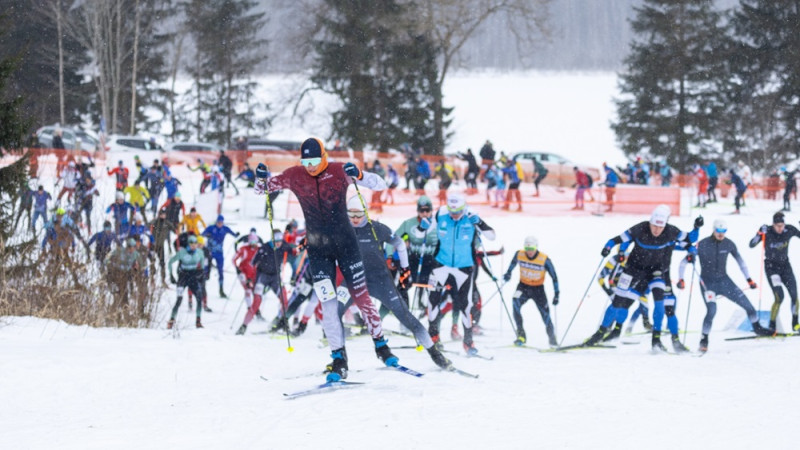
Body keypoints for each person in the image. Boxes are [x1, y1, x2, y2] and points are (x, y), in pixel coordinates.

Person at [254, 137, 396, 382]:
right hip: (318, 251)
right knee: (328, 305)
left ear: (324, 156)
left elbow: (381, 184)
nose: (310, 166)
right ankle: (339, 358)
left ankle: (381, 345)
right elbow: (262, 189)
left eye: (315, 160)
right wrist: (260, 176)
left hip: (347, 246)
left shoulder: (339, 170)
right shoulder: (295, 175)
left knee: (361, 298)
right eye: (305, 160)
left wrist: (360, 175)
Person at [343, 195, 452, 368]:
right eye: (351, 215)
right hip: (353, 280)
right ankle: (340, 359)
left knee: (406, 316)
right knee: (333, 311)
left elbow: (400, 244)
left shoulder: (376, 228)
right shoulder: (342, 229)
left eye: (359, 215)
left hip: (380, 280)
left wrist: (405, 268)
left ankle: (435, 354)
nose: (355, 219)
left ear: (366, 212)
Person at [584, 205, 700, 352]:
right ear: (650, 222)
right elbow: (618, 239)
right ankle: (601, 332)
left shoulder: (671, 231)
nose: (657, 230)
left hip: (657, 271)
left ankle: (656, 340)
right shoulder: (641, 228)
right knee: (618, 302)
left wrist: (696, 228)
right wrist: (611, 248)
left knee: (660, 302)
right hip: (633, 269)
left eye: (660, 227)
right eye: (654, 226)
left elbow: (690, 240)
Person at [677, 219, 772, 352]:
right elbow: (684, 262)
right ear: (713, 230)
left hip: (725, 281)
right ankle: (704, 339)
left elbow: (741, 262)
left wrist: (749, 279)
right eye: (718, 231)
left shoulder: (728, 244)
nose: (721, 234)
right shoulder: (702, 244)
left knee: (749, 306)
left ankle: (757, 328)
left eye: (723, 231)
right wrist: (681, 278)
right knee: (711, 311)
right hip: (707, 284)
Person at [424, 192, 495, 355]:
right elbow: (423, 234)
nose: (454, 215)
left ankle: (468, 342)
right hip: (441, 264)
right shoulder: (441, 214)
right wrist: (424, 225)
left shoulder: (471, 216)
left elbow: (492, 236)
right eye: (451, 212)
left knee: (466, 305)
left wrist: (481, 224)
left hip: (463, 267)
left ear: (464, 208)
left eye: (457, 212)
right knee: (432, 301)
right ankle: (433, 337)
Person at [503, 236, 559, 347]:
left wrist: (557, 294)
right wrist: (508, 273)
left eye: (532, 249)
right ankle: (521, 335)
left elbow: (554, 277)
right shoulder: (519, 254)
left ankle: (552, 339)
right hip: (523, 287)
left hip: (538, 289)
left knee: (545, 314)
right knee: (515, 302)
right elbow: (512, 264)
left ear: (536, 247)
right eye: (527, 249)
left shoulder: (544, 259)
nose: (529, 252)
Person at [749, 212, 800, 332]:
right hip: (772, 268)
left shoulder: (789, 229)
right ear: (773, 225)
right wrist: (759, 233)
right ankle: (772, 324)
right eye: (778, 226)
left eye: (782, 225)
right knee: (779, 297)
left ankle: (795, 323)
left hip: (785, 267)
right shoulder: (767, 231)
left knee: (794, 295)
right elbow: (751, 244)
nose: (780, 228)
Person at [390, 196, 438, 312]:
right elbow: (392, 239)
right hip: (413, 260)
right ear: (418, 211)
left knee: (435, 288)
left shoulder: (438, 224)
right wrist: (389, 256)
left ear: (432, 211)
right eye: (422, 211)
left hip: (432, 262)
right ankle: (405, 313)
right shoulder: (408, 223)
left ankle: (430, 312)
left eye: (427, 210)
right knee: (402, 286)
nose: (425, 213)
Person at [167, 234, 206, 329]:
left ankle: (198, 321)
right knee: (179, 300)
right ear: (188, 244)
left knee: (199, 298)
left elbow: (202, 265)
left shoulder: (200, 252)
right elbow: (170, 262)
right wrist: (171, 275)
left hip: (193, 276)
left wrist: (201, 274)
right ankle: (171, 320)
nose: (193, 246)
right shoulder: (182, 252)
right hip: (183, 277)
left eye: (195, 244)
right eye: (191, 244)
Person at [202, 215, 239, 298]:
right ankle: (202, 289)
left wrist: (236, 234)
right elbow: (202, 235)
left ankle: (221, 290)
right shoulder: (211, 228)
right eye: (218, 222)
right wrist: (206, 235)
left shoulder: (225, 228)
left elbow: (233, 234)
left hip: (219, 253)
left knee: (220, 271)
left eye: (221, 222)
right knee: (206, 271)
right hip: (209, 253)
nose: (220, 224)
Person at [233, 235, 263, 335]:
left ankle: (255, 310)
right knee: (248, 290)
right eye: (252, 242)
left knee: (256, 292)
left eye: (255, 242)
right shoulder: (244, 249)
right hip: (244, 273)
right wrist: (237, 268)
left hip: (255, 274)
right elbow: (234, 259)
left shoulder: (259, 249)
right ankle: (250, 308)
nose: (253, 244)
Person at [150, 209, 173, 284]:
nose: (163, 216)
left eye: (164, 214)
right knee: (152, 262)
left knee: (162, 263)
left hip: (160, 246)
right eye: (162, 214)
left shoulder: (166, 223)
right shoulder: (155, 222)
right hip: (153, 245)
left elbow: (173, 228)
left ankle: (163, 279)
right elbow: (149, 226)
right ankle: (152, 278)